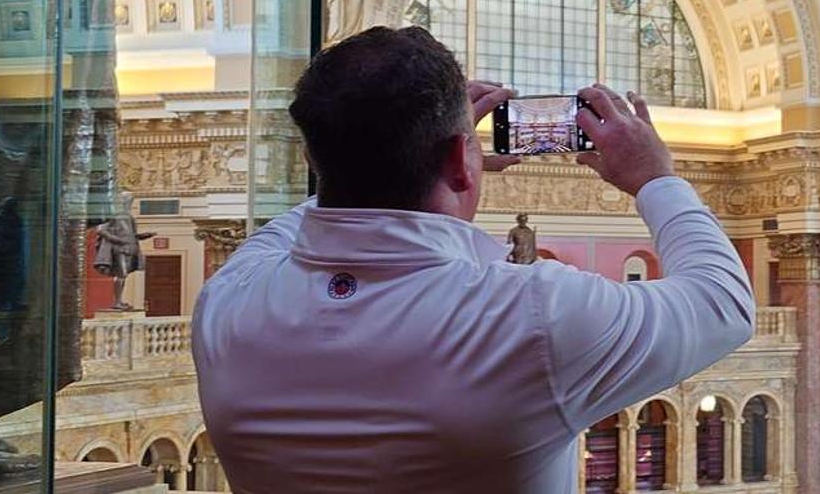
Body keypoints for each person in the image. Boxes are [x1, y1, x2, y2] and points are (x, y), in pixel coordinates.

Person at [192, 26, 754, 492]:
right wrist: (655, 177)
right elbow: (721, 302)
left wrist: (436, 151)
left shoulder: (229, 300)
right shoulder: (533, 318)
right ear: (463, 161)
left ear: (315, 155)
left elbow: (323, 207)